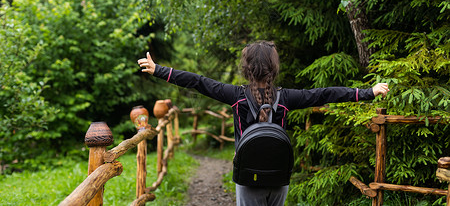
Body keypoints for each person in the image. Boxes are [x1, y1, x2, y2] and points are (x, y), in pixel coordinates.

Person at [137, 40, 389, 206]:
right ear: (273, 67)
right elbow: (325, 93)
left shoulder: (235, 95)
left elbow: (198, 82)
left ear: (246, 68)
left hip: (247, 177)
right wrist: (369, 91)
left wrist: (159, 69)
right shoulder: (287, 97)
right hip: (280, 177)